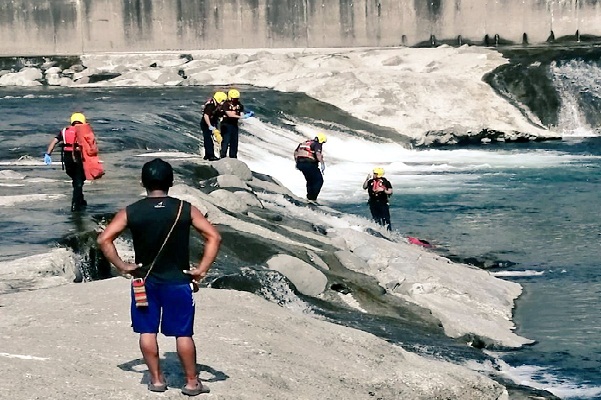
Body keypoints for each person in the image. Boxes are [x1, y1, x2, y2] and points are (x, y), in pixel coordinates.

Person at [97, 158, 221, 396]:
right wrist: (201, 270)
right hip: (178, 281)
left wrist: (122, 266)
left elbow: (104, 239)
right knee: (183, 333)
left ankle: (155, 380)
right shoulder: (185, 209)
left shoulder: (131, 211)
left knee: (147, 331)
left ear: (142, 182)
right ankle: (192, 383)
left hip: (145, 281)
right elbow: (214, 237)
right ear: (171, 182)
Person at [44, 112, 88, 212]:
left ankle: (80, 200)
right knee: (79, 182)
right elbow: (91, 145)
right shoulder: (84, 131)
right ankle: (76, 205)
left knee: (76, 180)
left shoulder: (64, 131)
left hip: (67, 159)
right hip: (79, 157)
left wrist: (48, 154)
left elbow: (54, 141)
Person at [219, 88, 253, 159]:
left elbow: (241, 113)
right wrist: (240, 117)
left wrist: (246, 115)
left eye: (236, 99)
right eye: (234, 99)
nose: (235, 100)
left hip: (234, 125)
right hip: (226, 124)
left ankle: (233, 157)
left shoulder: (239, 105)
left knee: (234, 142)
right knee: (226, 141)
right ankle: (222, 156)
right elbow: (229, 114)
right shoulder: (226, 104)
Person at [293, 133, 327, 203]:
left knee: (310, 180)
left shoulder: (304, 143)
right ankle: (312, 199)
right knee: (319, 181)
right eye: (323, 142)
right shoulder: (317, 144)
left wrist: (297, 162)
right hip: (309, 163)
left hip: (300, 164)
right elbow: (318, 154)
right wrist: (322, 163)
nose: (322, 144)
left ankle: (309, 197)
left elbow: (295, 152)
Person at [200, 91, 227, 161]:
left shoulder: (217, 105)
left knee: (211, 139)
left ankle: (207, 155)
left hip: (212, 122)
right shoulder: (210, 105)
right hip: (206, 124)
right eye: (223, 100)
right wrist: (210, 126)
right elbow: (206, 116)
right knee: (208, 139)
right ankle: (210, 156)